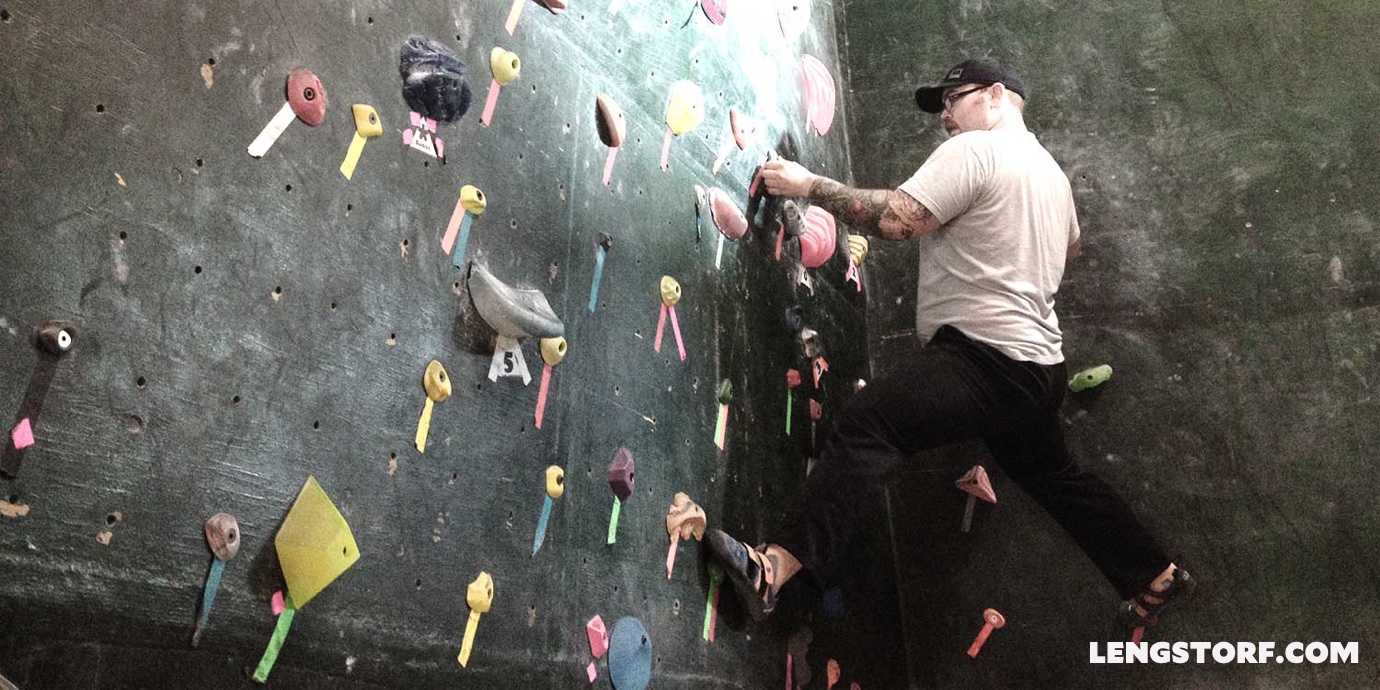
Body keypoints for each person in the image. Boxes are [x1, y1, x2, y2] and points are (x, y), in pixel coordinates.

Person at [706, 58, 1193, 635]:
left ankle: (774, 570)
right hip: (1040, 370)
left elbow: (894, 220)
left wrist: (808, 185)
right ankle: (1154, 572)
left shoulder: (977, 151)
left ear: (993, 96)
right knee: (1056, 477)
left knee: (872, 423)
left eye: (952, 100)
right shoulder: (1053, 178)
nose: (944, 117)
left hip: (986, 359)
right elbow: (1071, 248)